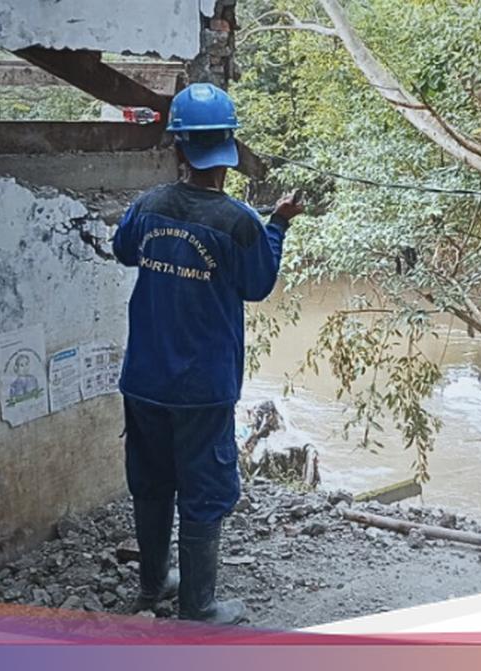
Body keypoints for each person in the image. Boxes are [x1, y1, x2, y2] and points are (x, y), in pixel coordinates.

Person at [112, 82, 303, 624]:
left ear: (178, 149)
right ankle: (197, 607)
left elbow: (125, 250)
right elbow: (257, 283)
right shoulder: (239, 221)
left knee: (150, 482)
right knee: (204, 488)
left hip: (144, 380)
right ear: (228, 150)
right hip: (202, 387)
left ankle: (153, 586)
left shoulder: (147, 206)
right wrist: (278, 224)